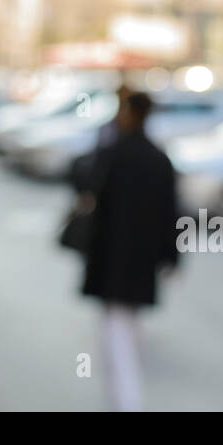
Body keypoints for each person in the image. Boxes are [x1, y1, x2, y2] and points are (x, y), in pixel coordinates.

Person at [79, 92, 180, 411]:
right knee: (125, 328)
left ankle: (125, 403)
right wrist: (171, 257)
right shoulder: (159, 159)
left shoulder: (114, 152)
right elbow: (172, 215)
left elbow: (84, 179)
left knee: (117, 334)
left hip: (113, 260)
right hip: (141, 261)